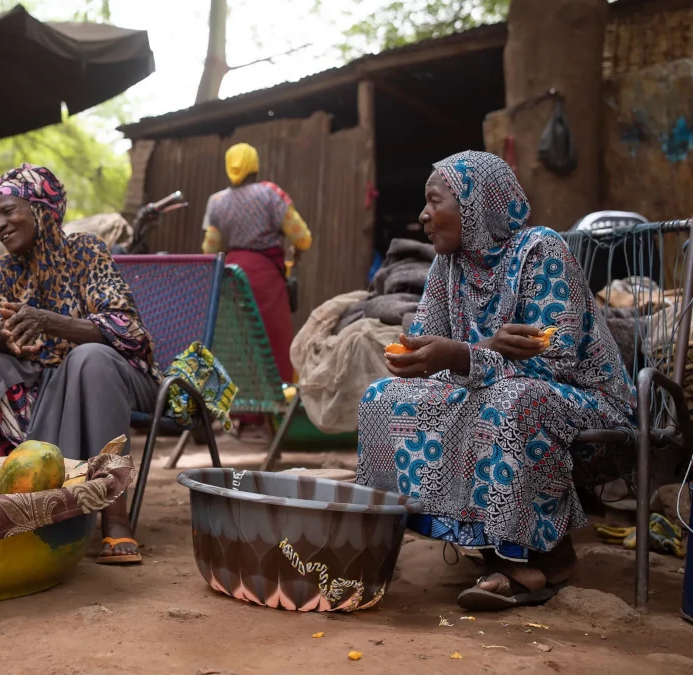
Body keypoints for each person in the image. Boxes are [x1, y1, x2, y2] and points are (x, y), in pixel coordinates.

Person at [356, 151, 636, 611]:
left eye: (434, 200)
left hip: (588, 404)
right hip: (497, 391)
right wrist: (427, 358)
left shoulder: (541, 251)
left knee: (512, 400)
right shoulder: (449, 265)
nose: (423, 215)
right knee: (383, 397)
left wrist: (464, 355)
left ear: (476, 204)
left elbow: (554, 363)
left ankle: (537, 557)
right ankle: (386, 538)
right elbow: (432, 347)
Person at [0, 164, 159, 565]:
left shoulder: (85, 251)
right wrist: (4, 335)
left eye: (8, 211)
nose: (0, 225)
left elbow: (129, 331)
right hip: (40, 378)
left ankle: (115, 518)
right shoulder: (6, 270)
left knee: (89, 358)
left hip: (108, 375)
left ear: (41, 209)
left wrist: (48, 321)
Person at [201, 142, 312, 385]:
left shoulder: (217, 202)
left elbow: (210, 249)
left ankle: (234, 401)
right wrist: (295, 250)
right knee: (272, 340)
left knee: (235, 341)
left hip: (231, 278)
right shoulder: (270, 194)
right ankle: (275, 401)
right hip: (265, 279)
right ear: (255, 165)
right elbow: (302, 238)